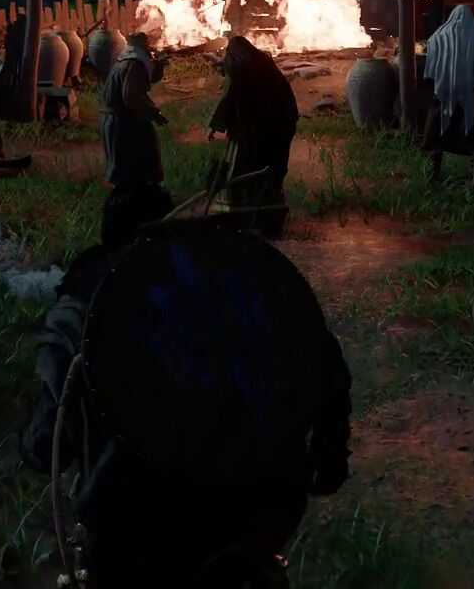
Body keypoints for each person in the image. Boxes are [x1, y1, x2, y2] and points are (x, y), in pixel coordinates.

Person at [19, 223, 352, 589]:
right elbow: (325, 395)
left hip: (129, 530)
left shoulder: (85, 304)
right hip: (253, 516)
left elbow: (43, 446)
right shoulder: (241, 278)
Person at [207, 36, 299, 213]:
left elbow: (230, 98)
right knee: (272, 164)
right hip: (279, 123)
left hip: (266, 126)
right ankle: (269, 201)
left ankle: (256, 205)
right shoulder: (262, 62)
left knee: (253, 163)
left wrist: (217, 125)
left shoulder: (241, 69)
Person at [99, 32, 172, 245]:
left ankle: (134, 189)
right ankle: (133, 196)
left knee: (132, 160)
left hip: (122, 120)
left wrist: (160, 66)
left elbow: (145, 80)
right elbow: (131, 96)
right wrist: (153, 114)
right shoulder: (134, 64)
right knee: (133, 160)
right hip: (125, 123)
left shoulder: (128, 60)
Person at [421, 3, 474, 184]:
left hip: (444, 91)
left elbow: (429, 53)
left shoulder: (439, 36)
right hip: (469, 92)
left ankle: (434, 171)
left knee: (438, 129)